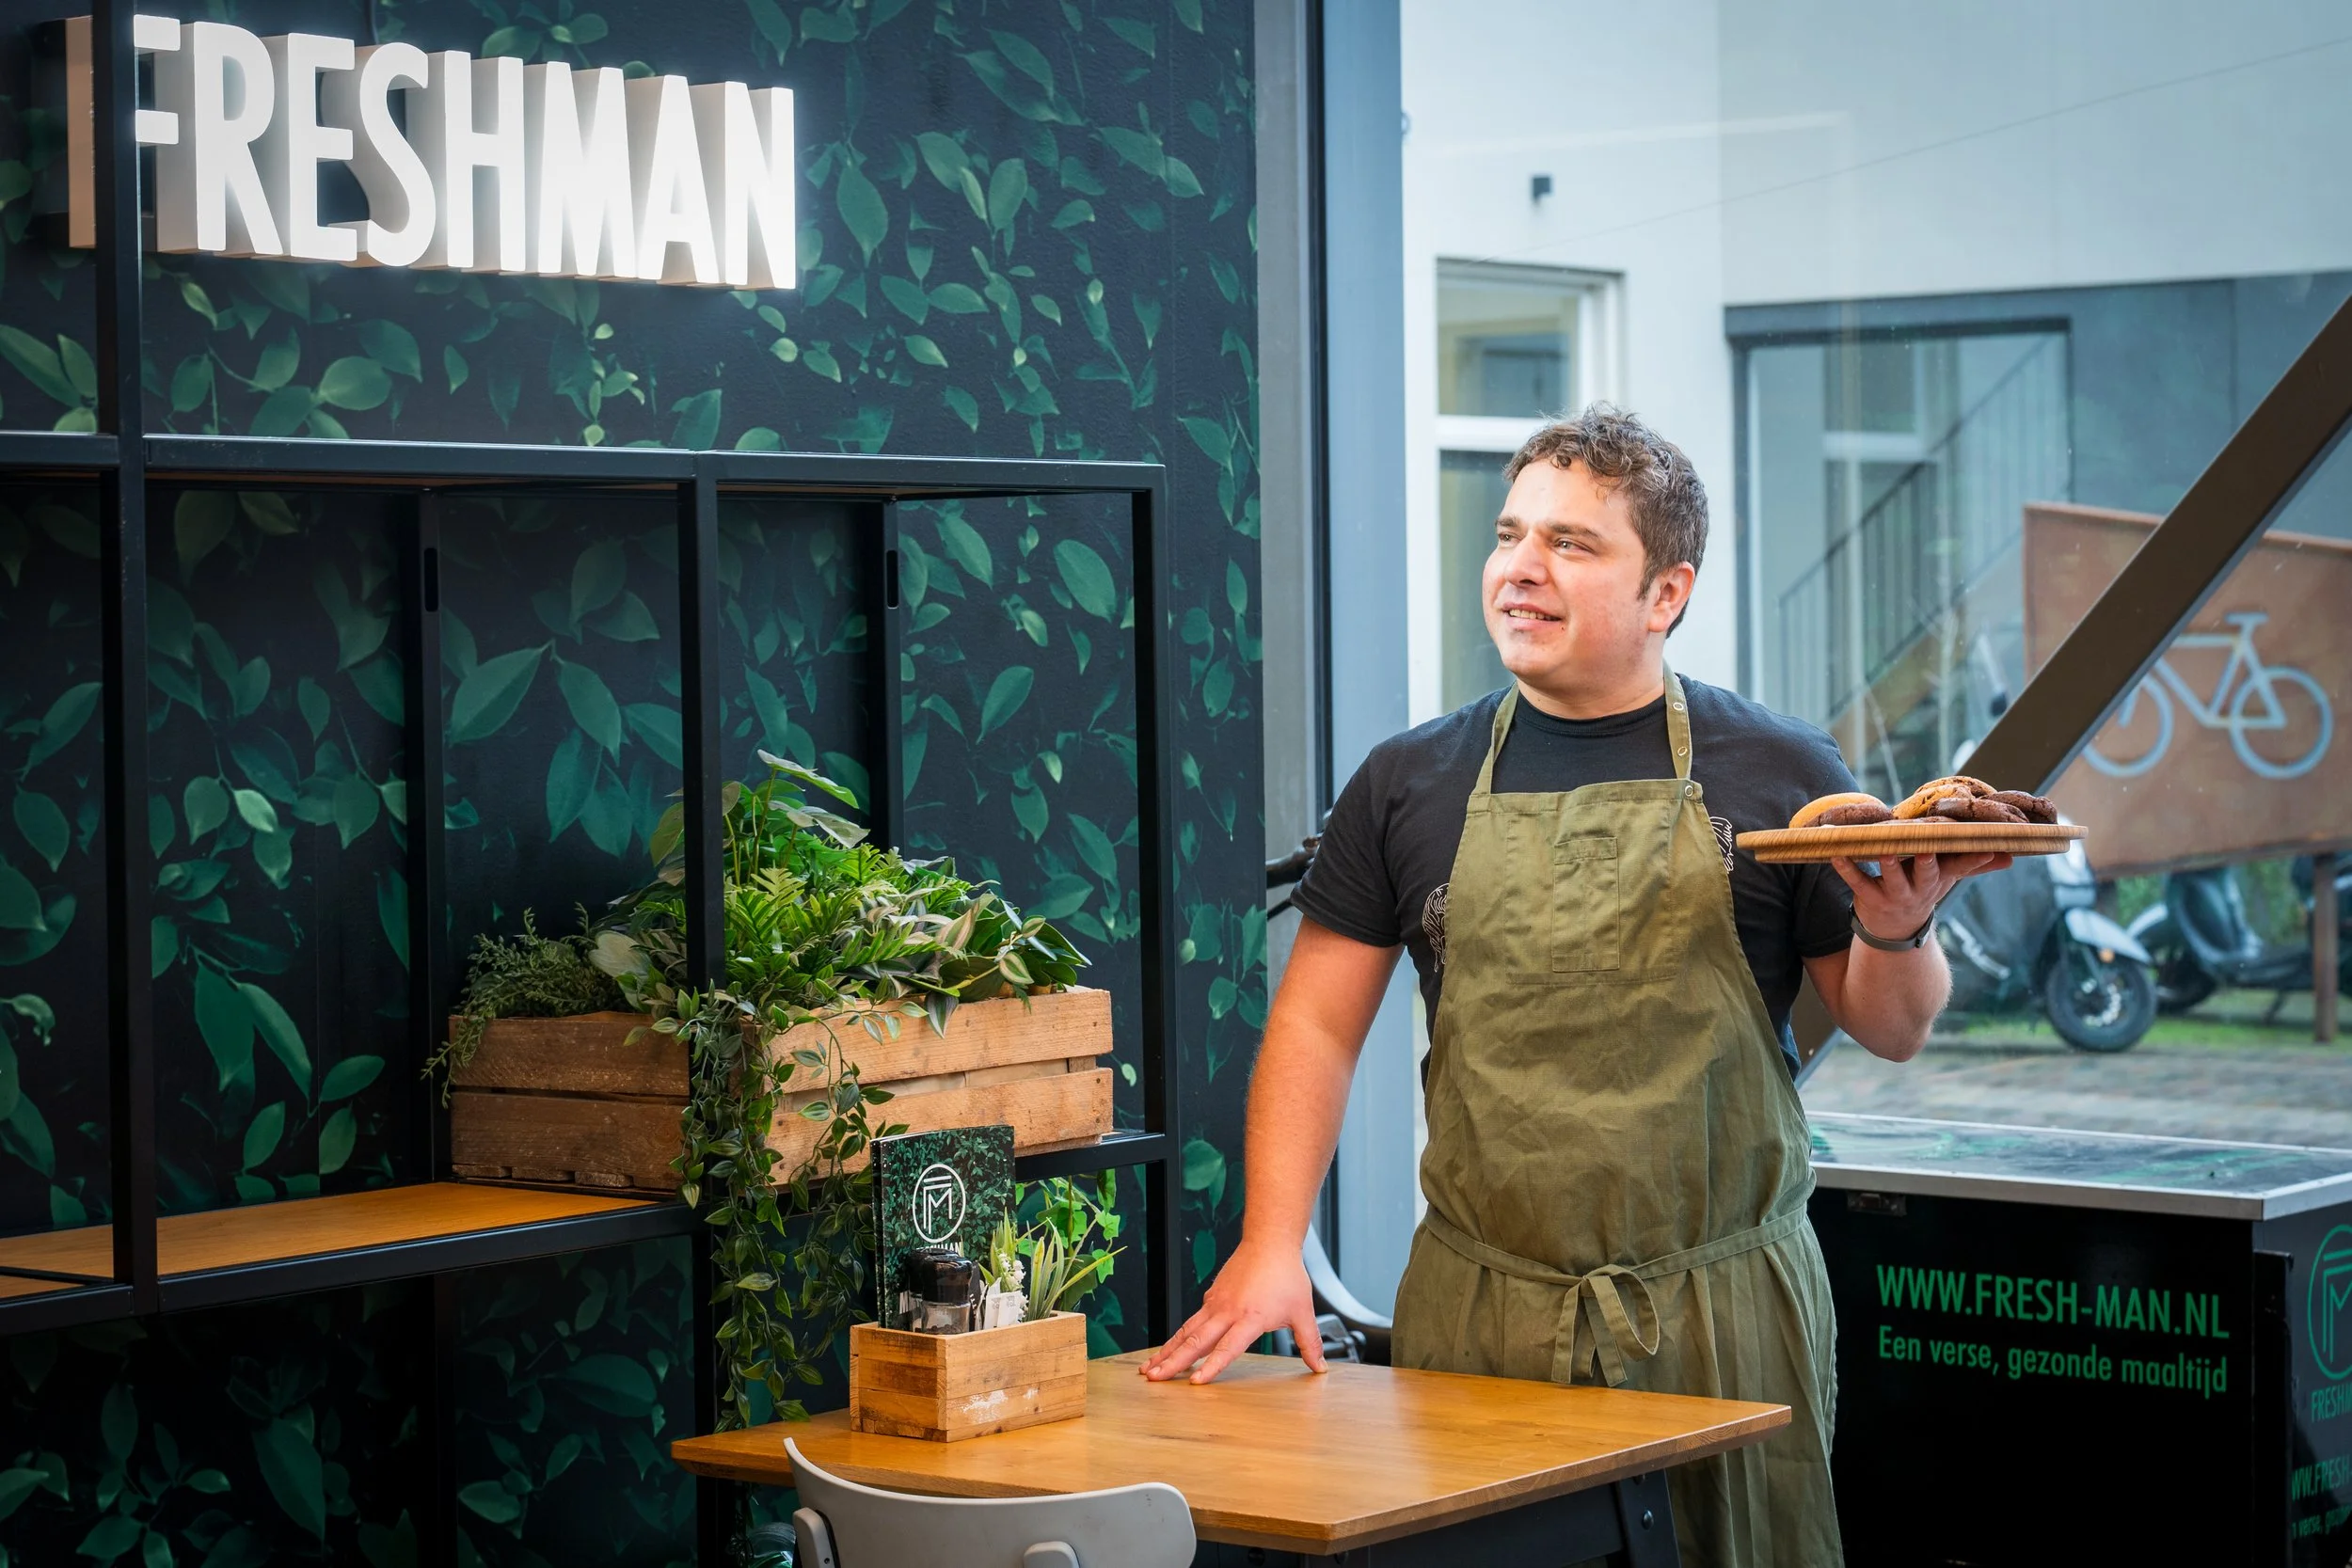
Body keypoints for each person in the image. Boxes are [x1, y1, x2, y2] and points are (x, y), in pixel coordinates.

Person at [1140, 405, 2010, 1566]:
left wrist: (1897, 928)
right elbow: (1313, 1025)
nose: (1520, 567)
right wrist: (1270, 1244)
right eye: (1510, 534)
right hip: (1481, 1315)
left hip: (1718, 1318)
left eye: (1571, 543)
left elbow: (1890, 1027)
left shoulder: (1781, 770)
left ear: (1666, 592)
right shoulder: (1407, 781)